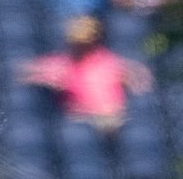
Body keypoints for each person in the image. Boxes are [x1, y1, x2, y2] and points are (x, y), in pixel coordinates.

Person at [23, 15, 152, 138]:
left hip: (110, 120)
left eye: (85, 42)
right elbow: (27, 72)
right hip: (77, 120)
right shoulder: (62, 64)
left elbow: (141, 78)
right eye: (77, 42)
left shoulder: (110, 63)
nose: (80, 47)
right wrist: (47, 82)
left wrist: (133, 82)